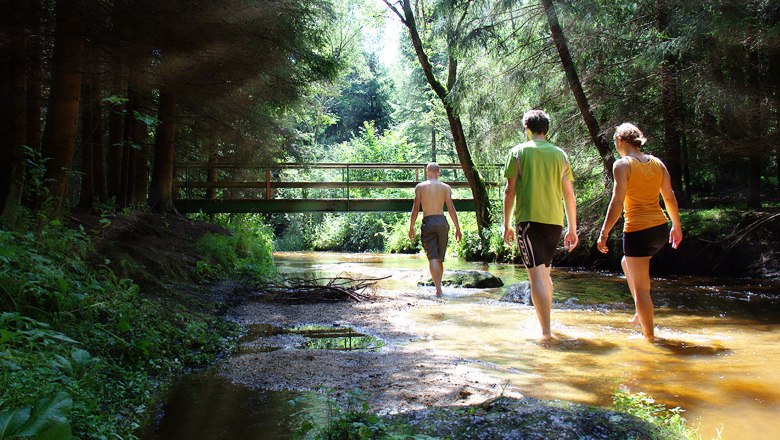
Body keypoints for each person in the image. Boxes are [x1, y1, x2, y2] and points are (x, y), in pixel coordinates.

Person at [597, 122, 683, 341]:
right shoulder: (657, 163)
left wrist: (604, 232)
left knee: (643, 289)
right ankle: (639, 310)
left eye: (616, 142)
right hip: (660, 229)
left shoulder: (622, 165)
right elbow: (670, 197)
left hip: (637, 230)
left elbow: (617, 202)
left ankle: (649, 338)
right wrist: (676, 226)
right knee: (626, 263)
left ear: (621, 141)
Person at [503, 110, 578, 340]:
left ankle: (545, 332)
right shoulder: (560, 155)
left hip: (529, 222)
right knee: (545, 275)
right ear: (547, 129)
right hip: (555, 222)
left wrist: (506, 224)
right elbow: (569, 194)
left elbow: (509, 191)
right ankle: (547, 324)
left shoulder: (517, 152)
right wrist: (573, 228)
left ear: (527, 129)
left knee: (536, 277)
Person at [408, 162, 462, 296]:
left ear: (427, 172)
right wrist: (457, 227)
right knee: (440, 257)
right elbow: (451, 208)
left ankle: (438, 289)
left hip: (428, 221)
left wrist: (411, 227)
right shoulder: (446, 188)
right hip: (442, 222)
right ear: (439, 173)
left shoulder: (420, 187)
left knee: (432, 257)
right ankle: (439, 286)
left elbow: (415, 209)